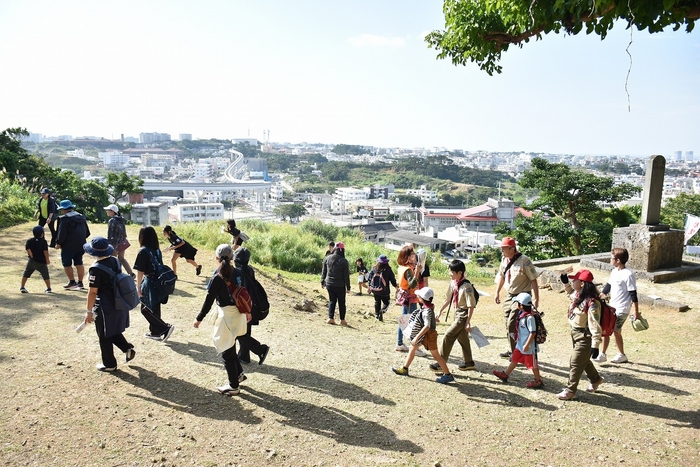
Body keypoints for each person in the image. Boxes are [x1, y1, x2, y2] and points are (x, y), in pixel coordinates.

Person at [194, 244, 251, 396]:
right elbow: (244, 294)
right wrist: (248, 312)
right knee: (230, 346)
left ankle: (233, 386)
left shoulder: (216, 278)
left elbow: (209, 300)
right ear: (232, 257)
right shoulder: (239, 273)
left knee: (226, 351)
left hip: (226, 317)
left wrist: (199, 318)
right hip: (239, 315)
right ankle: (238, 375)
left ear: (217, 258)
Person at [81, 236, 135, 372]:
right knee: (111, 330)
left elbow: (93, 292)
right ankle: (127, 348)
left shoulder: (96, 269)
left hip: (104, 305)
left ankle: (110, 364)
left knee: (104, 335)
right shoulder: (115, 261)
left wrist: (88, 311)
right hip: (118, 301)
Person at [557, 269, 605, 400]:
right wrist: (566, 284)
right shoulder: (580, 296)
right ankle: (596, 380)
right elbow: (571, 294)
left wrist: (595, 345)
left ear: (582, 283)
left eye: (575, 280)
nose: (573, 282)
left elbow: (595, 324)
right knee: (583, 359)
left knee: (575, 362)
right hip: (576, 334)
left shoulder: (593, 303)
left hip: (585, 337)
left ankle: (570, 390)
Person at [392, 287, 455, 384]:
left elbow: (427, 326)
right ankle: (405, 368)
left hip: (429, 335)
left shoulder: (426, 311)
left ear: (422, 299)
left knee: (436, 356)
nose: (417, 296)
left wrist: (417, 337)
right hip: (425, 334)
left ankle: (448, 375)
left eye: (419, 296)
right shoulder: (428, 308)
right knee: (412, 348)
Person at [494, 237, 539, 359]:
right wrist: (497, 292)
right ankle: (513, 348)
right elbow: (502, 276)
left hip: (522, 296)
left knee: (512, 323)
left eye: (504, 249)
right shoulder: (504, 260)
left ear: (512, 249)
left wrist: (536, 299)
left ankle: (517, 354)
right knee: (507, 322)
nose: (502, 251)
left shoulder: (525, 261)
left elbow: (533, 280)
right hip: (510, 295)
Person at [429, 259, 477, 372]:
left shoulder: (467, 286)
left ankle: (441, 363)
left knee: (448, 336)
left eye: (452, 271)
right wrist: (440, 311)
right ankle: (469, 362)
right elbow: (448, 299)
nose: (450, 273)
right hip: (456, 313)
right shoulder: (453, 283)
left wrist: (468, 321)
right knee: (463, 339)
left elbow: (471, 306)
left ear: (460, 273)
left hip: (463, 315)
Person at [595, 248, 639, 364]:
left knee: (612, 329)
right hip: (612, 306)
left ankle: (604, 354)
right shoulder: (615, 271)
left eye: (612, 258)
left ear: (618, 260)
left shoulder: (628, 274)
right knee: (611, 329)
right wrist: (601, 295)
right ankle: (620, 355)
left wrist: (636, 311)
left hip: (622, 308)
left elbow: (633, 293)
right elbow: (608, 286)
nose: (610, 260)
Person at [492, 293, 543, 388]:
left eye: (517, 303)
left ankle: (538, 380)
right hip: (520, 344)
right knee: (514, 359)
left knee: (533, 364)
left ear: (521, 305)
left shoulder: (529, 317)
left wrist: (527, 345)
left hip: (528, 346)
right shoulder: (522, 314)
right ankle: (505, 374)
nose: (516, 305)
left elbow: (533, 332)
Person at [133, 226, 175, 342]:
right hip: (159, 280)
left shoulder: (143, 251)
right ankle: (155, 332)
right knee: (155, 306)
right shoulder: (157, 250)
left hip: (150, 281)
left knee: (145, 308)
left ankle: (165, 328)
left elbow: (140, 270)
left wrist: (138, 287)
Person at [233, 246, 270, 365]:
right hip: (252, 305)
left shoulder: (238, 272)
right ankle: (244, 356)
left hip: (245, 307)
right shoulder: (249, 269)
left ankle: (260, 349)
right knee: (244, 331)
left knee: (236, 331)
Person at [55, 199, 91, 291]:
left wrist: (58, 243)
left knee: (66, 264)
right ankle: (80, 283)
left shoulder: (64, 219)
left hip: (68, 245)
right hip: (81, 244)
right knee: (79, 262)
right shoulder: (82, 217)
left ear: (64, 209)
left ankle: (72, 282)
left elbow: (62, 233)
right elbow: (87, 232)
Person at [395, 245, 424, 354]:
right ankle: (414, 346)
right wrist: (417, 272)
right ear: (407, 257)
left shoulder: (402, 267)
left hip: (405, 296)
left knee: (404, 320)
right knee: (412, 322)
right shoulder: (408, 270)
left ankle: (399, 343)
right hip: (409, 297)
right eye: (411, 254)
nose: (414, 255)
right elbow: (413, 284)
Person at [320, 241, 351, 325]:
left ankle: (331, 318)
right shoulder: (344, 261)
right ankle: (342, 320)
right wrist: (348, 287)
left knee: (332, 301)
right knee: (341, 302)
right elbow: (346, 276)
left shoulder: (328, 258)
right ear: (342, 250)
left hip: (329, 284)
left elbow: (324, 271)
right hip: (340, 285)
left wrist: (322, 281)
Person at [104, 204, 135, 278]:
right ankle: (131, 274)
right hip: (122, 242)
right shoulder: (121, 219)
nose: (107, 212)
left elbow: (110, 234)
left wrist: (109, 244)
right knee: (121, 259)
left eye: (108, 210)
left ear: (113, 212)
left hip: (115, 243)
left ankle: (115, 274)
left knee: (112, 259)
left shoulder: (112, 220)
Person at [20, 225, 52, 293]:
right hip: (41, 262)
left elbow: (28, 249)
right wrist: (47, 259)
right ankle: (48, 288)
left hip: (32, 261)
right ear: (42, 233)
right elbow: (45, 251)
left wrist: (31, 255)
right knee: (45, 275)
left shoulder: (30, 241)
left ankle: (22, 287)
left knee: (26, 273)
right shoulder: (43, 241)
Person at [367, 255, 398, 321]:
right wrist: (396, 286)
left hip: (375, 290)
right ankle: (382, 311)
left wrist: (369, 286)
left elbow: (369, 278)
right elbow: (392, 279)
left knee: (377, 302)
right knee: (387, 303)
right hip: (385, 291)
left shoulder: (374, 268)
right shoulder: (388, 270)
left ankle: (376, 315)